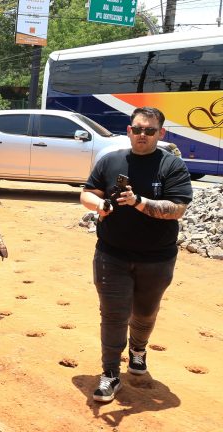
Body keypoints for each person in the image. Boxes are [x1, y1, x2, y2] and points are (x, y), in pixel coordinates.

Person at [80, 107, 193, 403]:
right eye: (137, 129)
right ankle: (110, 374)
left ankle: (138, 351)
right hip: (111, 254)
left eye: (149, 130)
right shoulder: (110, 160)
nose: (142, 135)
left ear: (161, 133)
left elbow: (177, 209)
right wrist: (99, 205)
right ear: (129, 130)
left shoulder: (171, 166)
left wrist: (140, 201)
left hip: (156, 258)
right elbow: (86, 192)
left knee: (144, 313)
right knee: (114, 314)